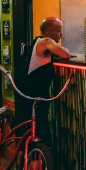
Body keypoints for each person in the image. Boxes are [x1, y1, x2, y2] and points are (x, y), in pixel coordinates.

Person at [23, 17, 71, 145]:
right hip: (35, 96)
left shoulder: (37, 42)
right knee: (40, 132)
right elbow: (65, 54)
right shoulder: (45, 42)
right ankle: (36, 163)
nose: (61, 34)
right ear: (50, 33)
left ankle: (30, 162)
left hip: (34, 94)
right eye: (59, 31)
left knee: (35, 131)